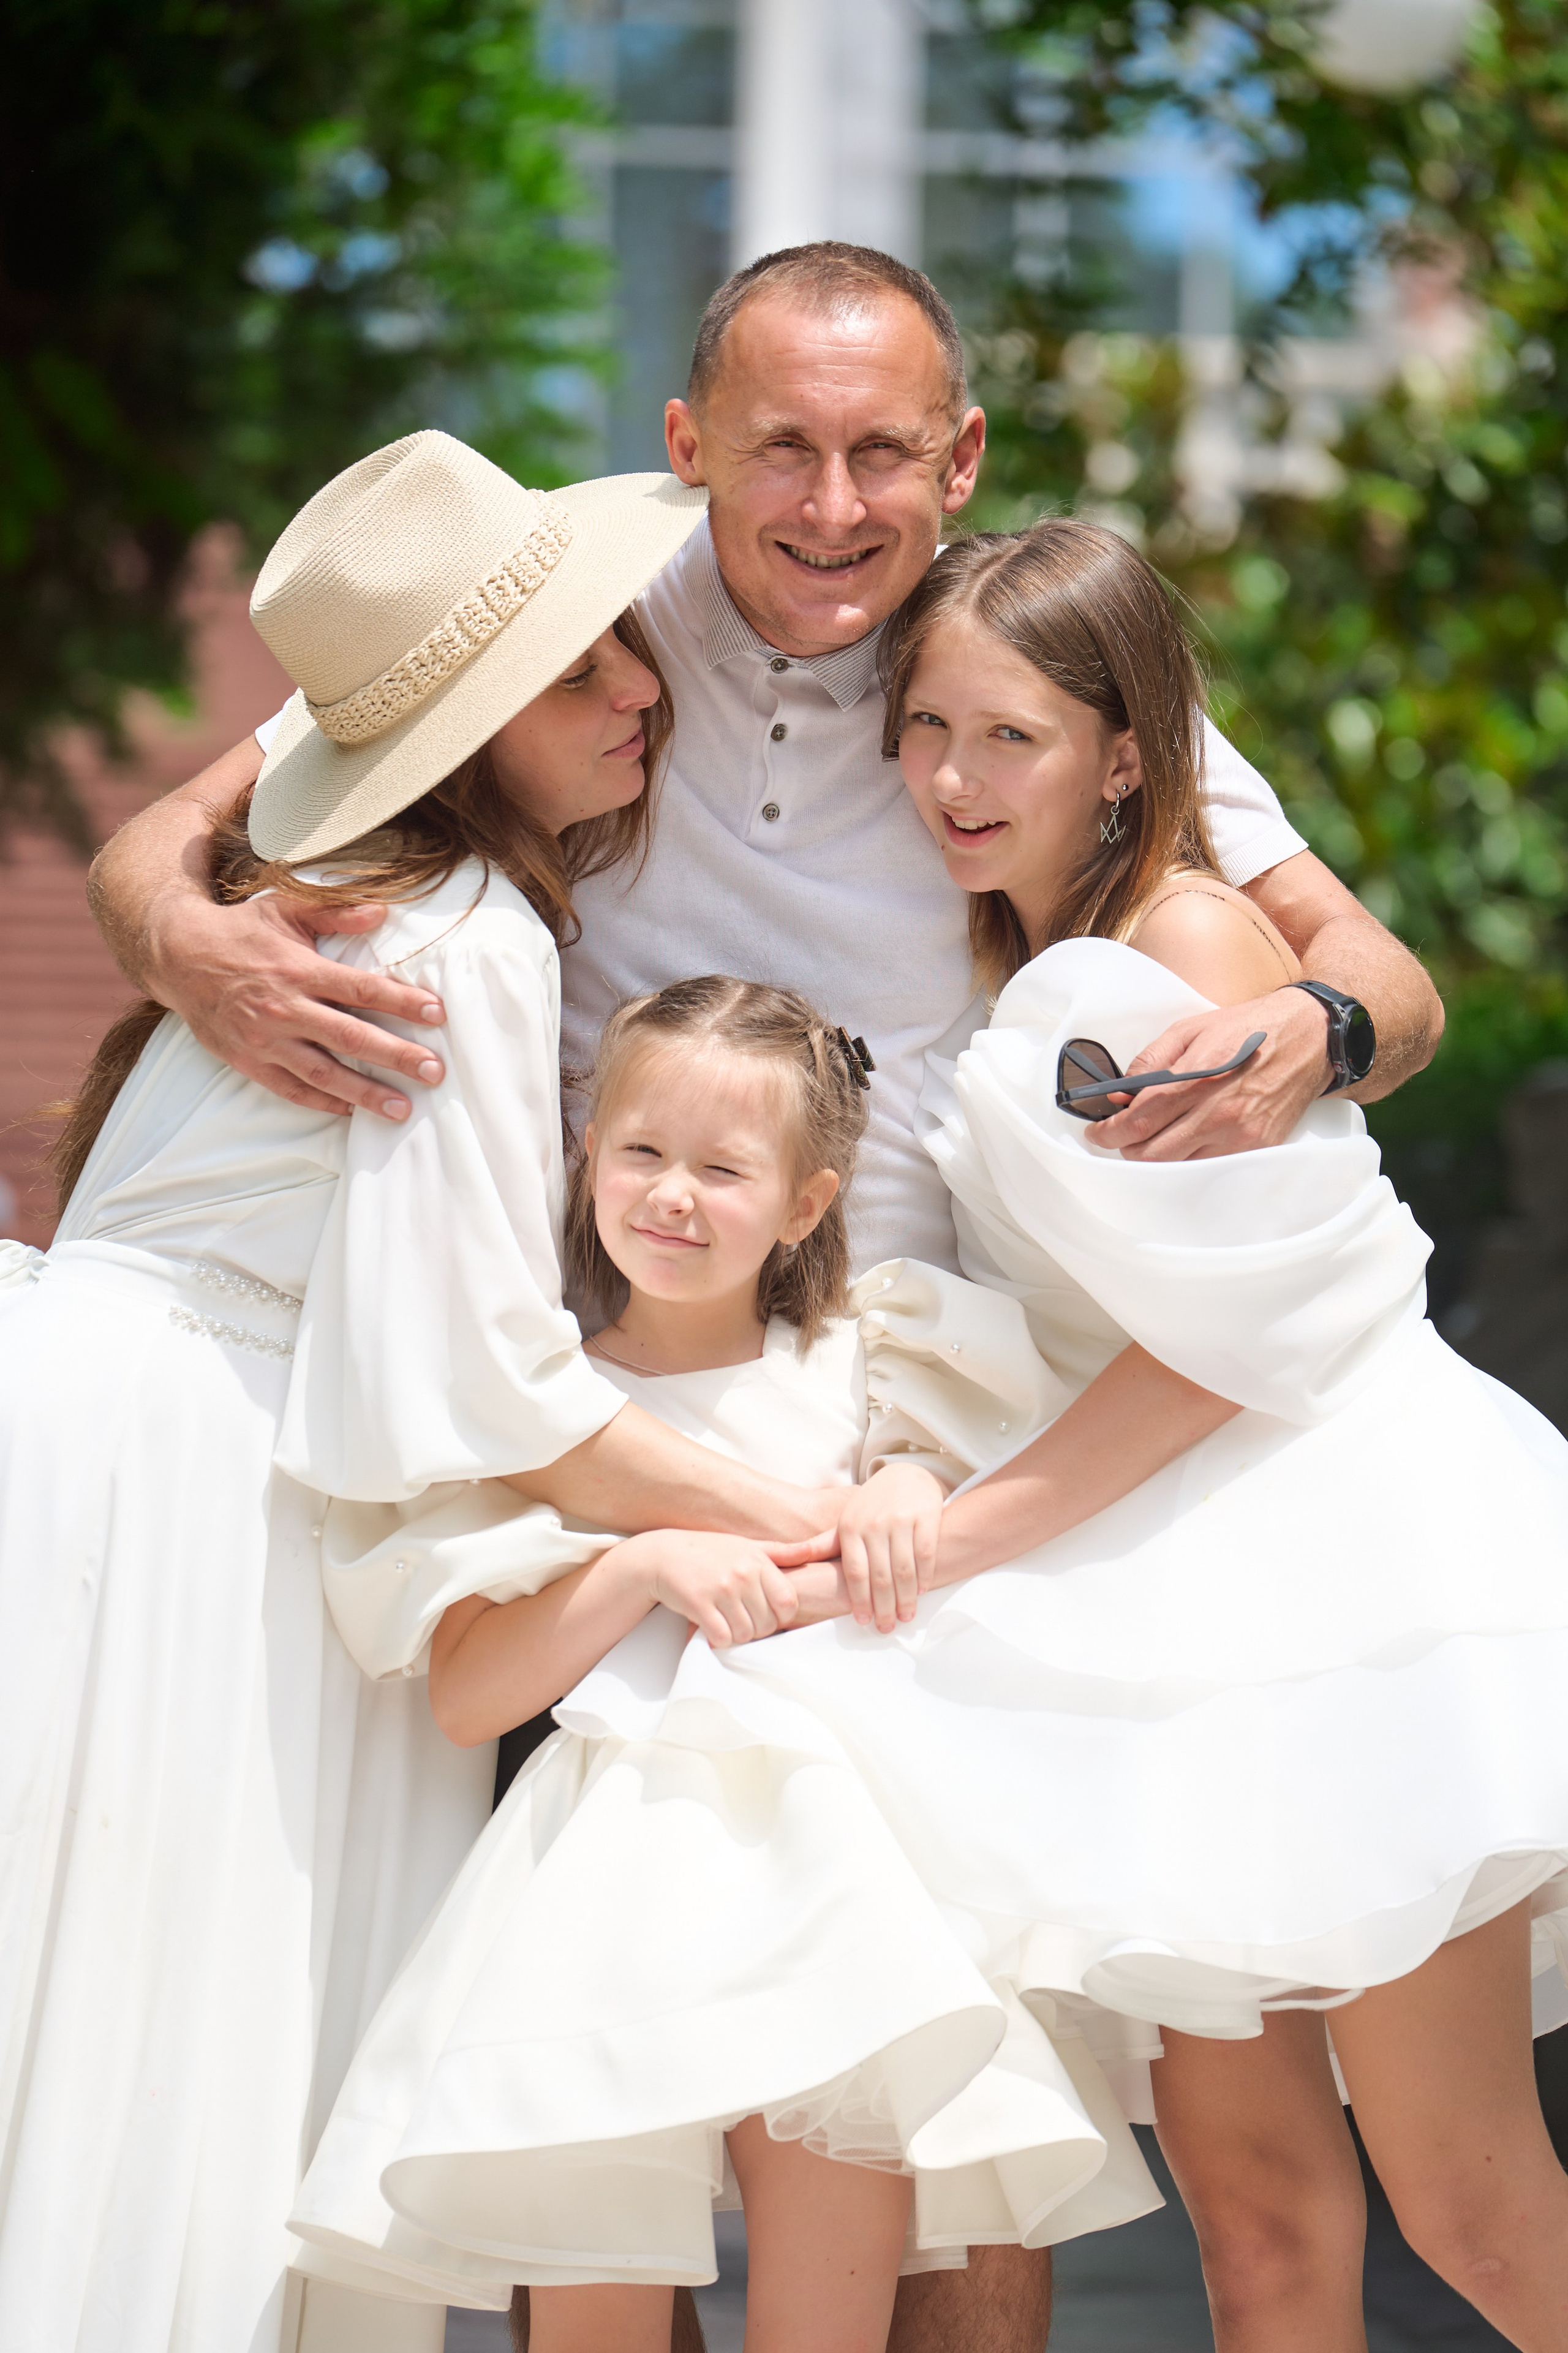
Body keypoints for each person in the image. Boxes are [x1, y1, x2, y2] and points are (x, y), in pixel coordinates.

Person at [85, 241, 1449, 2347]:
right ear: (685, 444)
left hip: (925, 1412)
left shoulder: (1009, 657)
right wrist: (181, 945)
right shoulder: (571, 612)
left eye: (885, 455)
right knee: (601, 2045)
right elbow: (180, 836)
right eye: (781, 453)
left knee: (942, 2110)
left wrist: (1312, 1041)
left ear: (962, 453)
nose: (833, 508)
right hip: (645, 1387)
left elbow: (1383, 971)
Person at [308, 516, 1568, 2353]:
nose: (955, 782)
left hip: (1346, 1577)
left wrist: (958, 1535)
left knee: (1459, 2187)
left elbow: (1231, 1348)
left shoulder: (1185, 934)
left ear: (1130, 754)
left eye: (1014, 737)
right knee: (1264, 2217)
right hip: (1180, 1590)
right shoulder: (1011, 948)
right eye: (927, 731)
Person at [0, 432, 850, 2353]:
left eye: (626, 651)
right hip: (197, 1498)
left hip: (74, 1434)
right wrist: (847, 1525)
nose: (642, 689)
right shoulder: (462, 940)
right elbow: (495, 1388)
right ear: (465, 736)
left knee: (64, 2028)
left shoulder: (326, 882)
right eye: (580, 674)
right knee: (184, 2049)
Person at [288, 975, 1165, 2344]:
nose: (671, 1195)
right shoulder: (549, 1416)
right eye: (639, 1151)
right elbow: (467, 1692)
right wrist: (637, 1565)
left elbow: (990, 1540)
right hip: (601, 1910)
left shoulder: (875, 1369)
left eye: (722, 1167)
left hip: (840, 1895)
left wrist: (911, 1487)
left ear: (808, 1203)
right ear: (583, 1152)